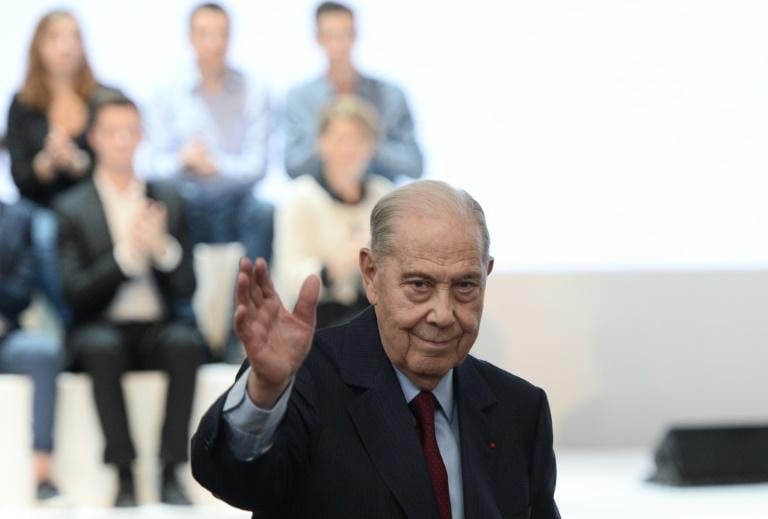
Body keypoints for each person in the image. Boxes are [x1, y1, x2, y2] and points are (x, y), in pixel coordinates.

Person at [191, 181, 560, 518]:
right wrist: (265, 392)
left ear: (486, 274)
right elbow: (235, 480)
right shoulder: (304, 379)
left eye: (465, 286)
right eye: (419, 284)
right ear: (371, 275)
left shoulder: (520, 410)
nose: (443, 314)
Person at [55, 95, 205, 507]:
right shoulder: (72, 208)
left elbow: (188, 286)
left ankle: (172, 469)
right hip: (99, 327)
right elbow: (74, 294)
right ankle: (122, 473)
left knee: (186, 343)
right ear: (94, 138)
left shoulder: (167, 198)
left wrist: (161, 250)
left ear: (142, 136)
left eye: (131, 131)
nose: (123, 141)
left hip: (157, 326)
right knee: (102, 348)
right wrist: (125, 257)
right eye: (112, 132)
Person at [6, 10, 119, 325]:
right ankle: (73, 321)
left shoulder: (102, 99)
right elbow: (20, 178)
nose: (65, 47)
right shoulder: (22, 104)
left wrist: (77, 162)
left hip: (90, 202)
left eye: (73, 37)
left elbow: (116, 162)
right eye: (55, 38)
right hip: (43, 205)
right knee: (45, 233)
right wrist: (46, 163)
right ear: (38, 47)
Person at [146, 2, 274, 263]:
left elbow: (258, 166)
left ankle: (246, 301)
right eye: (205, 34)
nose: (214, 43)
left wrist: (217, 166)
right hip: (187, 200)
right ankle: (180, 303)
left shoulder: (254, 90)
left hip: (236, 200)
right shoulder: (167, 92)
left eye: (222, 34)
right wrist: (183, 161)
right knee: (161, 210)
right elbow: (152, 166)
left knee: (264, 212)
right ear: (190, 38)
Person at [274, 95, 392, 328]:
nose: (349, 149)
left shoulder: (383, 194)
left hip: (370, 307)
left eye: (358, 140)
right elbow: (290, 278)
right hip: (316, 315)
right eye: (340, 139)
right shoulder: (301, 197)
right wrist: (338, 265)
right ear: (321, 143)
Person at [284, 1, 424, 182]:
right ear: (318, 39)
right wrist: (329, 143)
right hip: (322, 198)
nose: (339, 45)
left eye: (346, 34)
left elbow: (414, 165)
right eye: (330, 35)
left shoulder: (390, 95)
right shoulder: (299, 98)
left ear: (356, 35)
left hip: (379, 195)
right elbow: (292, 166)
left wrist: (365, 143)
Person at [0, 200, 63, 502]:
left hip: (4, 332)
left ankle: (43, 474)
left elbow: (22, 292)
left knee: (44, 353)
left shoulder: (16, 218)